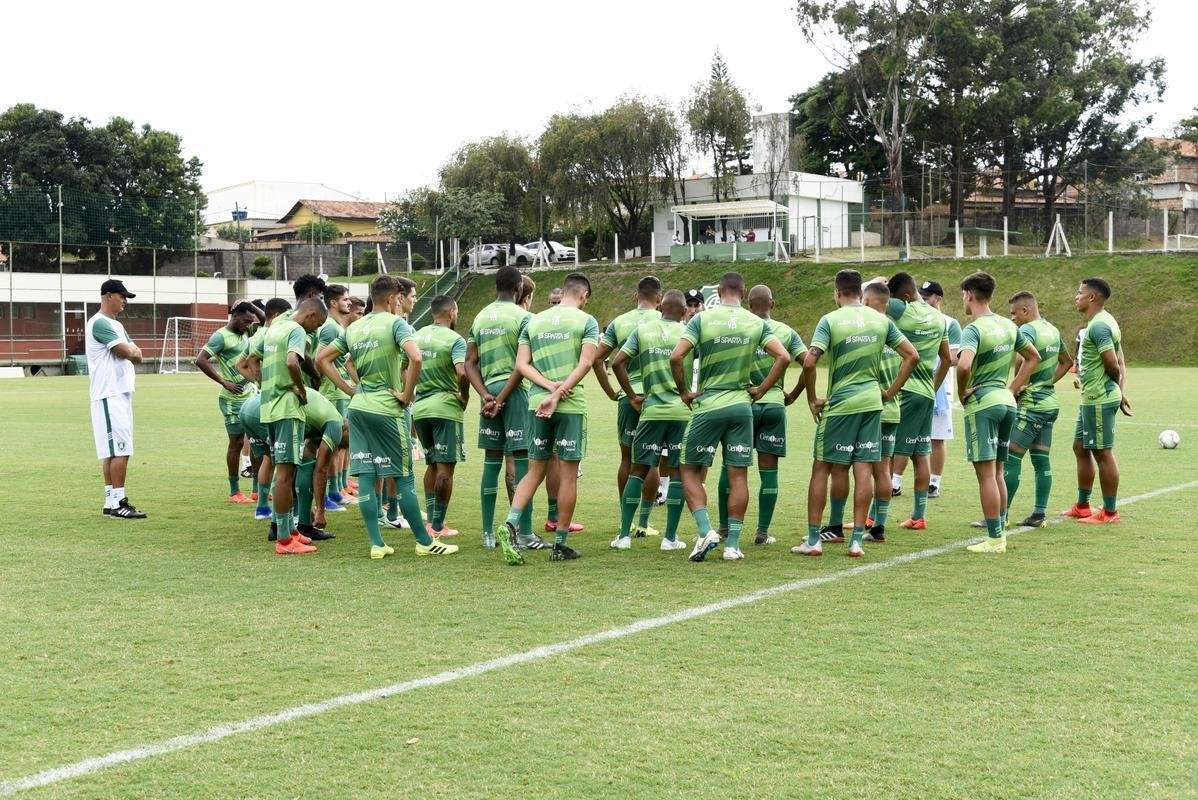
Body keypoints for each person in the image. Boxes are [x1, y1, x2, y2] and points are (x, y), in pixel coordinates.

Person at [317, 274, 458, 559]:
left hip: (360, 407)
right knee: (403, 477)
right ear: (394, 298)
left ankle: (377, 544)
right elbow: (416, 358)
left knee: (367, 476)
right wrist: (406, 396)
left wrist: (351, 388)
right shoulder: (396, 324)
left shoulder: (355, 327)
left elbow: (323, 359)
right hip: (387, 409)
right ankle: (424, 541)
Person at [793, 270, 917, 558]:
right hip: (873, 404)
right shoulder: (881, 320)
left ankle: (814, 540)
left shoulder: (830, 320)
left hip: (841, 406)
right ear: (860, 295)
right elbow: (912, 355)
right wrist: (889, 392)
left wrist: (812, 398)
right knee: (864, 470)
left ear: (837, 293)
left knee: (821, 468)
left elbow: (810, 362)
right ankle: (857, 541)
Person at [670, 271, 791, 562]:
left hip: (710, 404)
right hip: (742, 407)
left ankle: (706, 530)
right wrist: (761, 389)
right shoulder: (755, 322)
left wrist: (685, 391)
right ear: (743, 291)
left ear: (719, 291)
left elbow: (676, 357)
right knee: (739, 474)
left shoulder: (702, 319)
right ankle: (733, 545)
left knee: (687, 469)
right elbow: (784, 357)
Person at [498, 272, 601, 564]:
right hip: (569, 405)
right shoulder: (587, 321)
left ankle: (509, 525)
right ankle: (560, 543)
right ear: (584, 296)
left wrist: (547, 388)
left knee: (533, 471)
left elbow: (521, 365)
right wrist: (559, 392)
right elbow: (586, 362)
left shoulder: (534, 320)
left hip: (536, 403)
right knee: (568, 474)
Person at [956, 272, 1040, 554]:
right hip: (1006, 402)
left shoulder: (973, 329)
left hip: (984, 404)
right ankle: (1000, 531)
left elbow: (964, 366)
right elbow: (1033, 357)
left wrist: (961, 392)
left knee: (986, 475)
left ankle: (994, 539)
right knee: (999, 471)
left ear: (969, 293)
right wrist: (1012, 388)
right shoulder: (1008, 325)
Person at [463, 266, 546, 551]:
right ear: (519, 288)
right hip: (516, 392)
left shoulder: (480, 316)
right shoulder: (525, 318)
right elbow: (524, 365)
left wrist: (487, 395)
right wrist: (502, 397)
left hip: (489, 392)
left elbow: (469, 363)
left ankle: (487, 534)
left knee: (491, 461)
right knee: (524, 462)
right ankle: (524, 533)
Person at [610, 289, 691, 551]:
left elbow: (617, 362)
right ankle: (670, 538)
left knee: (638, 469)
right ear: (683, 311)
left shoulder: (643, 330)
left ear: (661, 306)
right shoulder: (689, 332)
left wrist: (632, 395)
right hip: (681, 412)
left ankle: (624, 536)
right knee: (678, 472)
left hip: (651, 409)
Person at [735, 284, 808, 546]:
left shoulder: (741, 328)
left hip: (742, 405)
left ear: (748, 305)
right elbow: (808, 362)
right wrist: (794, 394)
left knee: (733, 468)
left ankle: (723, 528)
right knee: (769, 471)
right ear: (772, 305)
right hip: (774, 405)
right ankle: (762, 532)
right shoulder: (786, 332)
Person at [592, 276, 664, 538]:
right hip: (657, 397)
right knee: (652, 460)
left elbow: (596, 359)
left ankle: (627, 520)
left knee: (627, 458)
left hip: (628, 396)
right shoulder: (667, 322)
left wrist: (612, 390)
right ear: (659, 298)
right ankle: (645, 522)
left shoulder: (619, 323)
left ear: (636, 296)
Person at [883, 272, 951, 531]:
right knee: (921, 454)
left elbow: (867, 296)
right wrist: (933, 388)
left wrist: (878, 282)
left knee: (889, 452)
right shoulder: (938, 317)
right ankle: (919, 515)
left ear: (906, 296)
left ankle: (876, 517)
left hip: (904, 390)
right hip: (925, 393)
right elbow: (947, 359)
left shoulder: (904, 309)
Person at [260, 298, 327, 555]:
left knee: (283, 472)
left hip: (269, 406)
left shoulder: (276, 326)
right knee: (286, 475)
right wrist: (301, 387)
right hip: (287, 408)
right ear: (309, 314)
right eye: (316, 324)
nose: (314, 330)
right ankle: (285, 541)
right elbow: (291, 362)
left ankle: (290, 531)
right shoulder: (297, 330)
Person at [1063, 278, 1131, 524]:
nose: (1076, 296)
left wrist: (1114, 388)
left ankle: (1110, 512)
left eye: (1079, 292)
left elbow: (1114, 364)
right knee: (1080, 447)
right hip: (1091, 397)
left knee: (1103, 453)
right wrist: (1121, 392)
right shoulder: (1105, 321)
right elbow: (1121, 362)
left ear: (1092, 297)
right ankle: (1082, 505)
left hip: (1099, 397)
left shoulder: (1100, 326)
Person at [1003, 291, 1073, 528]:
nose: (1012, 318)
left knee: (1010, 457)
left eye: (1014, 313)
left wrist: (1014, 388)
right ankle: (1039, 514)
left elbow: (1024, 361)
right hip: (1050, 404)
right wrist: (1046, 383)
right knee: (1041, 460)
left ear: (1026, 310)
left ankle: (1001, 515)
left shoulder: (1027, 331)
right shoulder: (1052, 330)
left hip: (1031, 406)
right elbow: (1067, 362)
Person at [87, 279, 146, 519]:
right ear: (109, 296)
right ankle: (119, 501)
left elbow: (137, 353)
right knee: (120, 450)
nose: (125, 302)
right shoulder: (100, 323)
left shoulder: (116, 325)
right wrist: (131, 351)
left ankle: (111, 501)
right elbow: (127, 352)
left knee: (113, 450)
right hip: (108, 393)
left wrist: (132, 352)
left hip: (118, 393)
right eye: (122, 297)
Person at [413, 296, 469, 539]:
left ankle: (433, 520)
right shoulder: (455, 339)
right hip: (445, 408)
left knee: (432, 464)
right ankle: (437, 525)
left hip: (421, 408)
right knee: (446, 468)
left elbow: (406, 367)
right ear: (452, 312)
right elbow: (462, 371)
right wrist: (464, 395)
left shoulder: (417, 335)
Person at [196, 301, 261, 505]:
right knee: (237, 443)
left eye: (251, 321)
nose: (249, 324)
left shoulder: (247, 333)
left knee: (259, 442)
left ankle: (258, 490)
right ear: (234, 316)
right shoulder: (220, 336)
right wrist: (224, 381)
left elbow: (266, 320)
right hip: (232, 399)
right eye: (245, 320)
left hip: (251, 395)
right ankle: (234, 492)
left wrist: (250, 305)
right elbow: (201, 359)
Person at [237, 297, 292, 521]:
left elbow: (241, 364)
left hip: (258, 402)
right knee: (285, 460)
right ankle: (288, 514)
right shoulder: (281, 333)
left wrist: (260, 382)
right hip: (279, 403)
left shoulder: (258, 335)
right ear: (279, 316)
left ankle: (261, 505)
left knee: (269, 456)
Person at [861, 280, 901, 543]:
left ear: (867, 301)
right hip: (893, 408)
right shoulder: (895, 330)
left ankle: (857, 524)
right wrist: (892, 391)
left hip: (871, 407)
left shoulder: (869, 330)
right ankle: (879, 525)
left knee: (864, 469)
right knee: (884, 470)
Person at [916, 281, 961, 497]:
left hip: (941, 387)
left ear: (938, 299)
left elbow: (953, 357)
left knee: (937, 437)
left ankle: (934, 482)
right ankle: (897, 482)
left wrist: (931, 357)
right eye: (920, 298)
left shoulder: (950, 323)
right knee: (911, 435)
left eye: (926, 298)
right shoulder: (916, 320)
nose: (923, 302)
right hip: (916, 383)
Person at [316, 284, 356, 512]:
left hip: (340, 392)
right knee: (330, 444)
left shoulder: (338, 327)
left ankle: (336, 490)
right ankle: (330, 492)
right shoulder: (330, 328)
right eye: (345, 299)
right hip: (332, 393)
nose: (349, 303)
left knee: (340, 444)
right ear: (333, 302)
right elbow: (319, 360)